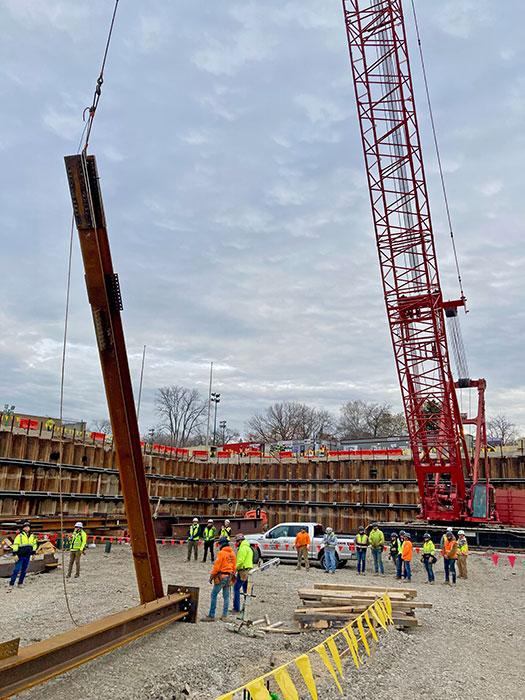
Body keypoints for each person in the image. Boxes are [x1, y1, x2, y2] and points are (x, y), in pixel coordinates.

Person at [201, 536, 236, 622]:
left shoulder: (221, 553)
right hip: (229, 576)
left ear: (222, 544)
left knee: (214, 595)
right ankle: (224, 616)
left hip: (221, 577)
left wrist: (211, 576)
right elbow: (234, 567)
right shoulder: (232, 553)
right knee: (226, 597)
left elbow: (217, 567)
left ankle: (211, 615)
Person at [9, 522, 37, 588]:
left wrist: (33, 554)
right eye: (25, 527)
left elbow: (34, 545)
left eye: (28, 527)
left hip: (27, 556)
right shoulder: (20, 536)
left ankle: (20, 583)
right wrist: (15, 554)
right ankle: (11, 584)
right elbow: (15, 545)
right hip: (20, 556)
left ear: (30, 528)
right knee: (16, 570)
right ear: (23, 528)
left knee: (24, 571)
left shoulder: (32, 536)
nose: (27, 528)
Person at [232, 533, 254, 613]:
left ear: (240, 541)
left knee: (236, 588)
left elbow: (240, 561)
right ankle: (247, 608)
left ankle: (236, 608)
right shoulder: (248, 548)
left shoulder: (242, 548)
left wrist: (234, 569)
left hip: (243, 570)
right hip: (248, 570)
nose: (236, 543)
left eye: (237, 541)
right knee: (246, 590)